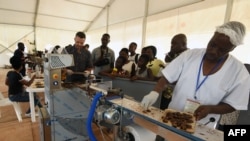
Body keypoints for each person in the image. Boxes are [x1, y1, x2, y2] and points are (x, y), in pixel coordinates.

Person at [141, 21, 249, 132]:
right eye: (212, 44)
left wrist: (211, 109)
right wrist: (154, 92)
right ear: (212, 35)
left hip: (202, 127)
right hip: (170, 118)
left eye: (221, 50)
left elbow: (233, 104)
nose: (213, 51)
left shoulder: (239, 72)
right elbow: (167, 76)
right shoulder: (190, 55)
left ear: (232, 48)